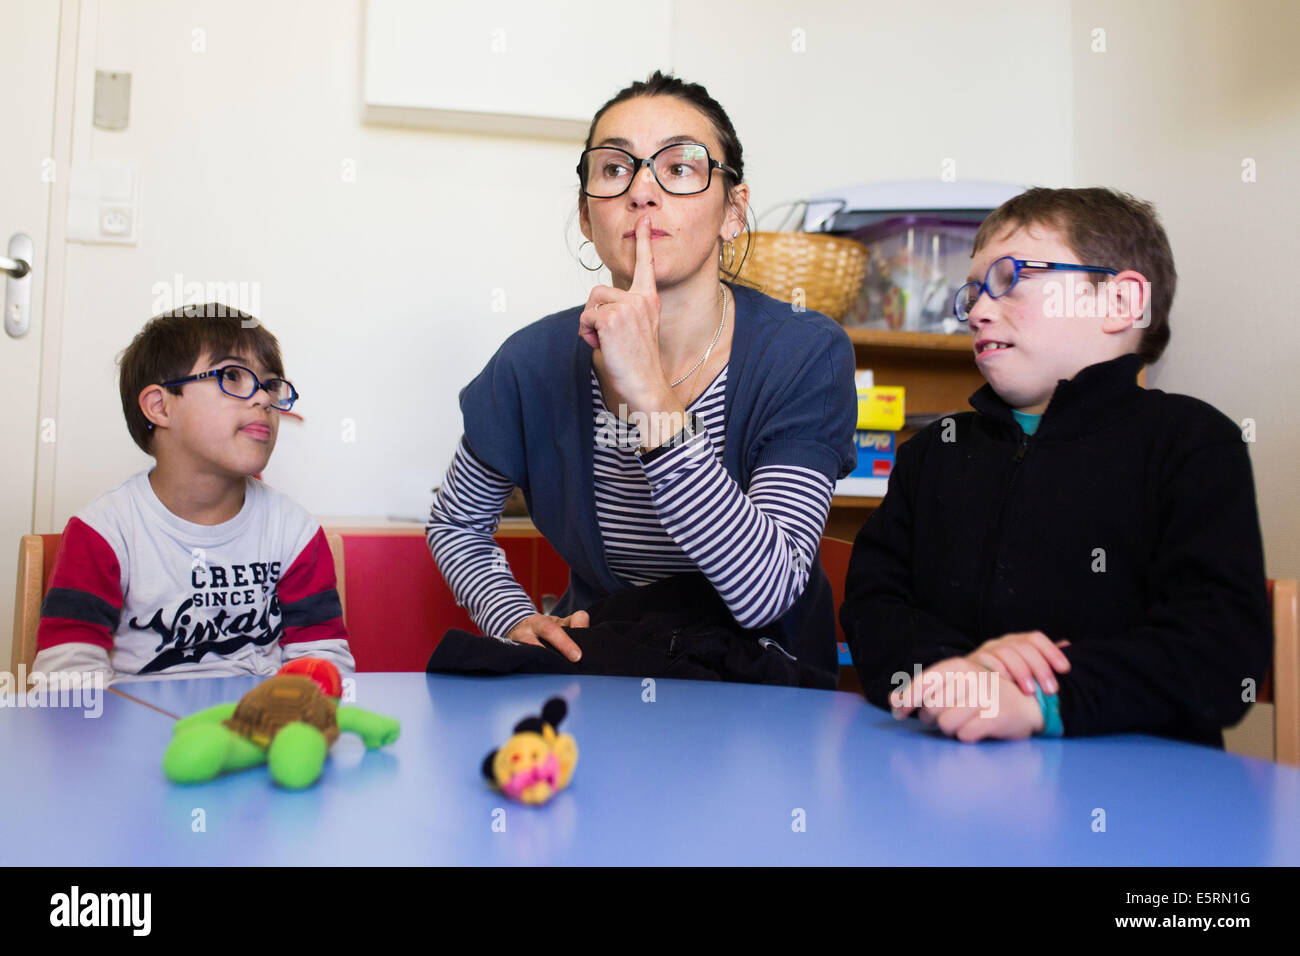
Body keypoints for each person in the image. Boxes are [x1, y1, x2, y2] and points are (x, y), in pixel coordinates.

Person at [427, 71, 856, 685]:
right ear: (586, 215)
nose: (643, 191)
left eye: (680, 168)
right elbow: (455, 522)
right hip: (608, 669)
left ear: (734, 210)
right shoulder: (533, 362)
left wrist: (651, 399)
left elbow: (766, 593)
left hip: (763, 679)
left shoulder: (805, 354)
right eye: (614, 169)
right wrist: (513, 616)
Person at [840, 186, 1271, 745]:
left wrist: (1038, 696)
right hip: (944, 769)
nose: (977, 310)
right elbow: (875, 606)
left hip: (1140, 793)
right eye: (971, 293)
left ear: (1118, 304)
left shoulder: (1193, 442)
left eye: (1009, 279)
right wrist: (958, 675)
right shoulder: (932, 452)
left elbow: (1221, 649)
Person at [30, 304, 354, 683]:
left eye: (270, 385)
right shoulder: (104, 531)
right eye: (232, 375)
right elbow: (65, 676)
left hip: (260, 731)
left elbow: (323, 660)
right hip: (134, 736)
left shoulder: (294, 532)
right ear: (160, 406)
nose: (264, 400)